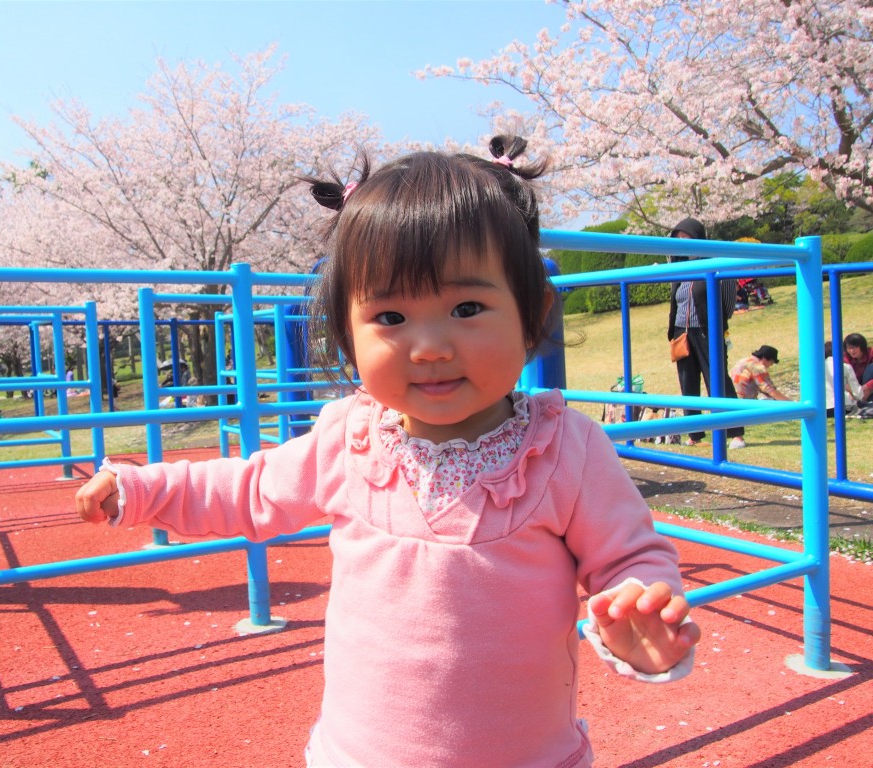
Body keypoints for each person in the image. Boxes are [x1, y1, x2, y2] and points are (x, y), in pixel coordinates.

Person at [75, 137, 699, 768]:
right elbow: (249, 489)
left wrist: (640, 604)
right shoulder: (350, 439)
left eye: (466, 307)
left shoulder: (563, 449)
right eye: (391, 316)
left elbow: (631, 554)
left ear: (533, 313)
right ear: (348, 331)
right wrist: (143, 488)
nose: (428, 345)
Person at [667, 217, 746, 448]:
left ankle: (735, 432)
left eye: (686, 237)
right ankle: (694, 434)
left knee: (717, 379)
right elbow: (676, 301)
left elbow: (729, 296)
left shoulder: (714, 260)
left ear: (698, 237)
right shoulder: (678, 264)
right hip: (682, 331)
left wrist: (719, 320)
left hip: (707, 329)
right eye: (678, 238)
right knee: (687, 382)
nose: (682, 242)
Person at [729, 345, 792, 446]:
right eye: (771, 362)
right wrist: (791, 405)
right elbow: (770, 390)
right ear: (765, 358)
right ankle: (738, 439)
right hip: (743, 403)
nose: (770, 366)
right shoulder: (757, 367)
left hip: (728, 399)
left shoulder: (743, 361)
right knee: (772, 404)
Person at [824, 341, 866, 417]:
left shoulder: (815, 368)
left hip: (822, 408)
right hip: (842, 407)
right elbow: (858, 394)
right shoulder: (845, 367)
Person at [844, 333, 873, 402]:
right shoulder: (845, 358)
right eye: (849, 348)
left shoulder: (871, 353)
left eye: (854, 348)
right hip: (855, 389)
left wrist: (868, 387)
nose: (851, 351)